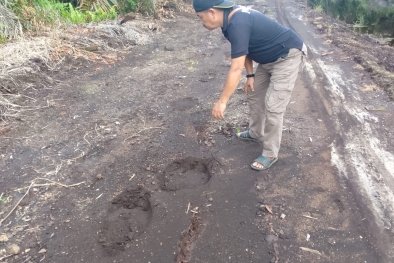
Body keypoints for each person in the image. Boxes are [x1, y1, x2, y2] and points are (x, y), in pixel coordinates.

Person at [193, 0, 306, 171]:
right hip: (267, 60)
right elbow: (243, 50)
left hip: (288, 56)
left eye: (201, 18)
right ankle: (256, 133)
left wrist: (222, 102)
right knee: (254, 92)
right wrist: (251, 75)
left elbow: (235, 68)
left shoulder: (238, 22)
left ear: (212, 12)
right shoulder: (228, 23)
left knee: (273, 105)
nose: (202, 23)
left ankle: (270, 153)